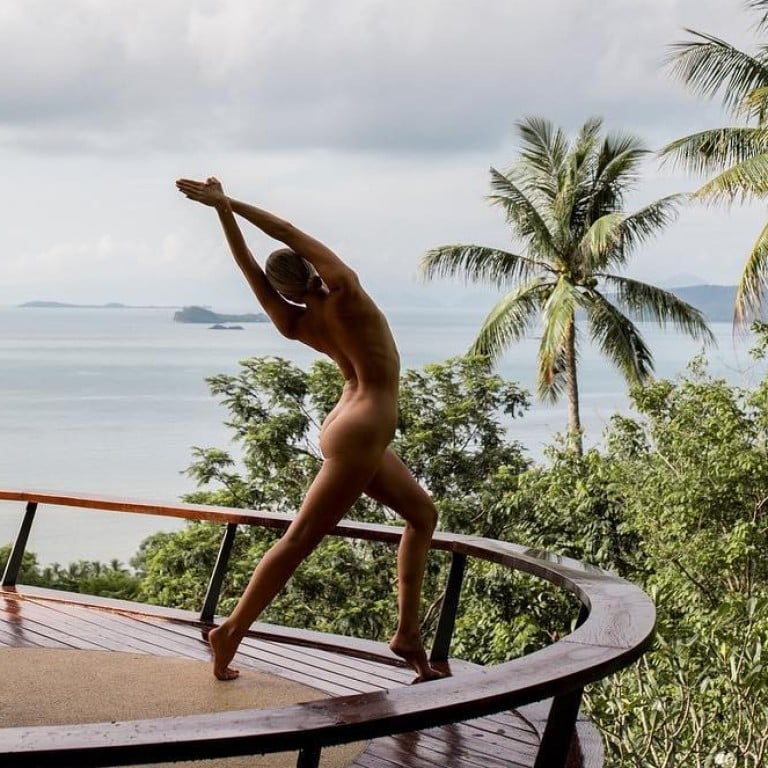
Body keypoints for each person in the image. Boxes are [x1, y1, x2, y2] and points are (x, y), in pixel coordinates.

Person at [176, 177, 443, 683]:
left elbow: (248, 268)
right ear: (310, 267)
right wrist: (227, 201)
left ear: (284, 287)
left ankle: (408, 633)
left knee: (422, 515)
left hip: (348, 421)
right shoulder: (346, 291)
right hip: (363, 426)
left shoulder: (294, 320)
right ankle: (230, 631)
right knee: (299, 540)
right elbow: (287, 229)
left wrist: (221, 214)